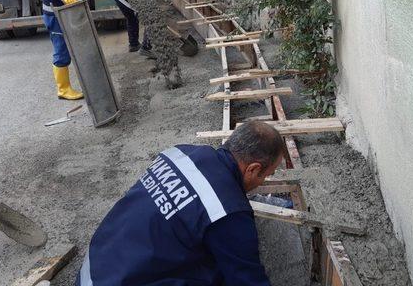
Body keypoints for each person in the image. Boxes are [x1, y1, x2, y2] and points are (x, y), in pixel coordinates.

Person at [76, 120, 286, 285]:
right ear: (252, 169)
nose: (263, 182)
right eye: (266, 175)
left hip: (95, 269)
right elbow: (247, 279)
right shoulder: (229, 211)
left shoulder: (181, 153)